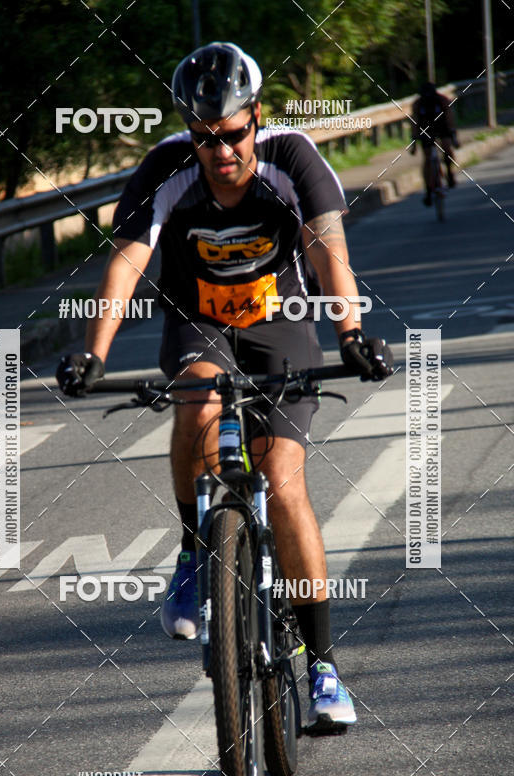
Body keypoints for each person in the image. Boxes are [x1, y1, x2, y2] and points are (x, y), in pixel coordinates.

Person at [56, 42, 393, 730]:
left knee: (284, 480)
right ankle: (191, 555)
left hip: (280, 321)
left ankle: (323, 665)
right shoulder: (166, 168)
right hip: (199, 321)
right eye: (205, 137)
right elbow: (127, 261)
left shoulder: (292, 158)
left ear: (256, 119)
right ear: (190, 133)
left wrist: (351, 333)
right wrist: (93, 352)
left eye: (234, 134)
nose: (221, 151)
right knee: (197, 402)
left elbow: (327, 249)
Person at [411, 81, 460, 205]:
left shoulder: (442, 100)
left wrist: (454, 136)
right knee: (427, 158)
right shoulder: (418, 104)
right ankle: (428, 190)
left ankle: (449, 172)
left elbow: (449, 118)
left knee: (447, 148)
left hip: (442, 127)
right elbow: (414, 122)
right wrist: (414, 142)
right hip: (426, 129)